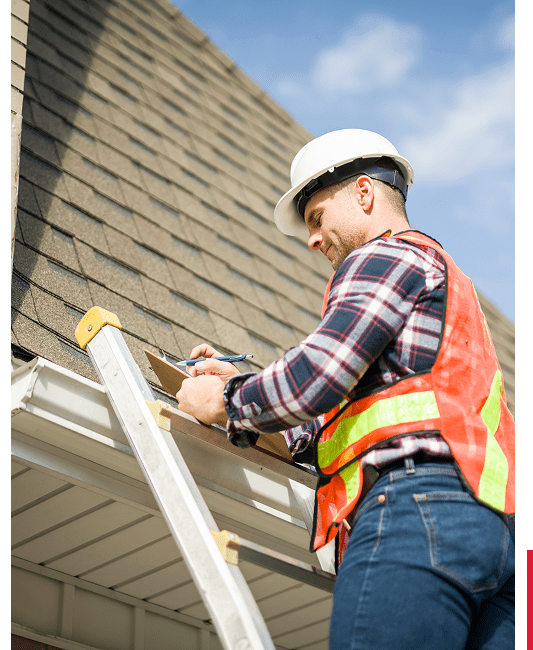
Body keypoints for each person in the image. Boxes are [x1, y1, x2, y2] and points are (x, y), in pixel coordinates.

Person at [177, 129, 515, 649]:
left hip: (417, 508)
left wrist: (226, 402)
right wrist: (248, 384)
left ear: (364, 194)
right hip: (500, 541)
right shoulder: (450, 286)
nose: (312, 239)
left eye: (316, 218)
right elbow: (337, 414)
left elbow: (317, 375)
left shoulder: (384, 256)